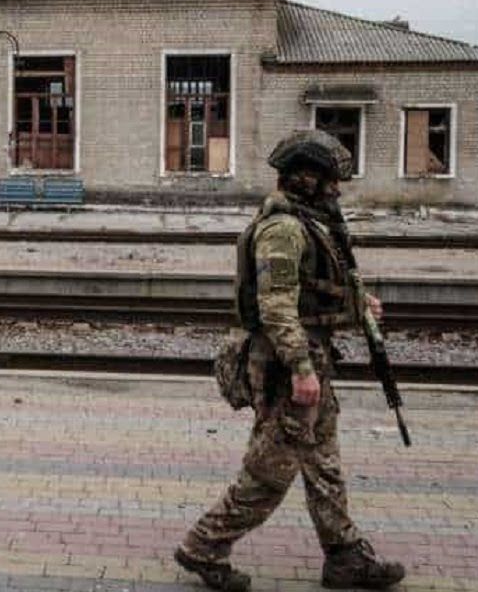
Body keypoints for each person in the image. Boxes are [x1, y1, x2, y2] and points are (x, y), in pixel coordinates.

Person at [174, 130, 406, 591]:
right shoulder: (283, 228)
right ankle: (203, 546)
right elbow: (276, 305)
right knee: (271, 469)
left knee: (323, 464)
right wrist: (301, 369)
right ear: (305, 178)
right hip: (287, 363)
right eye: (329, 180)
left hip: (309, 356)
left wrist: (356, 304)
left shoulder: (308, 222)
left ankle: (345, 556)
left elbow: (309, 290)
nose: (336, 189)